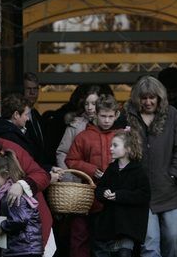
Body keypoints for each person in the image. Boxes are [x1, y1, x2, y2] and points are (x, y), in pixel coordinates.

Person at [124, 76, 177, 257]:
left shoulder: (172, 115)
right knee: (150, 243)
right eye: (143, 98)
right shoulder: (128, 117)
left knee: (173, 236)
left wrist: (174, 175)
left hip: (169, 190)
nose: (148, 102)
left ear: (159, 97)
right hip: (142, 192)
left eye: (152, 97)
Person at [65, 94, 122, 257]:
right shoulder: (83, 136)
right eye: (103, 116)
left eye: (110, 116)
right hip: (90, 195)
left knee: (114, 241)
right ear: (95, 114)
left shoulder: (120, 136)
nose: (106, 120)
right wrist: (91, 169)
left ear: (116, 115)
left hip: (115, 196)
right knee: (88, 238)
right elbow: (71, 159)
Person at [93, 129, 151, 257]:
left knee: (124, 253)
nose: (111, 148)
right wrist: (104, 193)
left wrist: (119, 195)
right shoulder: (111, 169)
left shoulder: (138, 171)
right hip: (109, 224)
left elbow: (144, 195)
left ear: (128, 149)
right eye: (111, 145)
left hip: (128, 225)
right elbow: (98, 190)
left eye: (115, 145)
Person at [0, 93, 61, 181]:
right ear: (16, 115)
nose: (28, 119)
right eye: (26, 114)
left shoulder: (15, 132)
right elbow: (22, 165)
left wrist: (49, 168)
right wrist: (47, 174)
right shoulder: (8, 136)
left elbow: (29, 161)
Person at [0, 150, 44, 257]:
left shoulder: (14, 193)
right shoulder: (3, 195)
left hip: (26, 247)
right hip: (18, 247)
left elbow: (20, 219)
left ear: (6, 175)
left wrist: (1, 228)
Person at [56, 85, 103, 182]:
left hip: (101, 181)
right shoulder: (75, 124)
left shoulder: (107, 124)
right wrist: (68, 179)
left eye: (94, 104)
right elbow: (63, 153)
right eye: (86, 104)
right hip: (77, 182)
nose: (89, 108)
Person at [24, 72, 55, 170]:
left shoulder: (36, 114)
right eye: (29, 89)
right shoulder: (18, 116)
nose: (32, 93)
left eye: (35, 89)